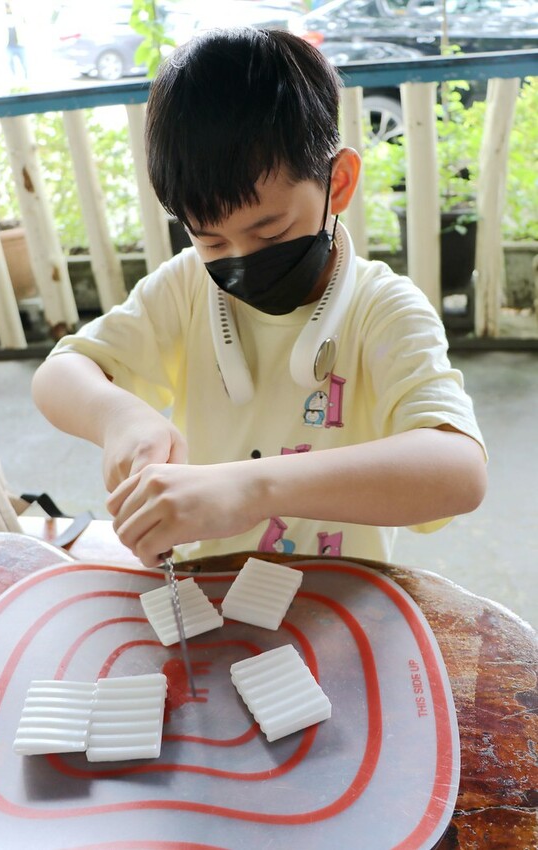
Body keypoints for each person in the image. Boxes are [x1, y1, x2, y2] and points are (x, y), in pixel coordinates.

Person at [32, 27, 487, 568]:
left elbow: (459, 470)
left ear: (339, 183)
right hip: (204, 586)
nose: (242, 258)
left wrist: (253, 489)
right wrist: (119, 418)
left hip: (336, 595)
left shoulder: (383, 309)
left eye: (271, 233)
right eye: (211, 241)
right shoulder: (186, 287)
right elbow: (59, 374)